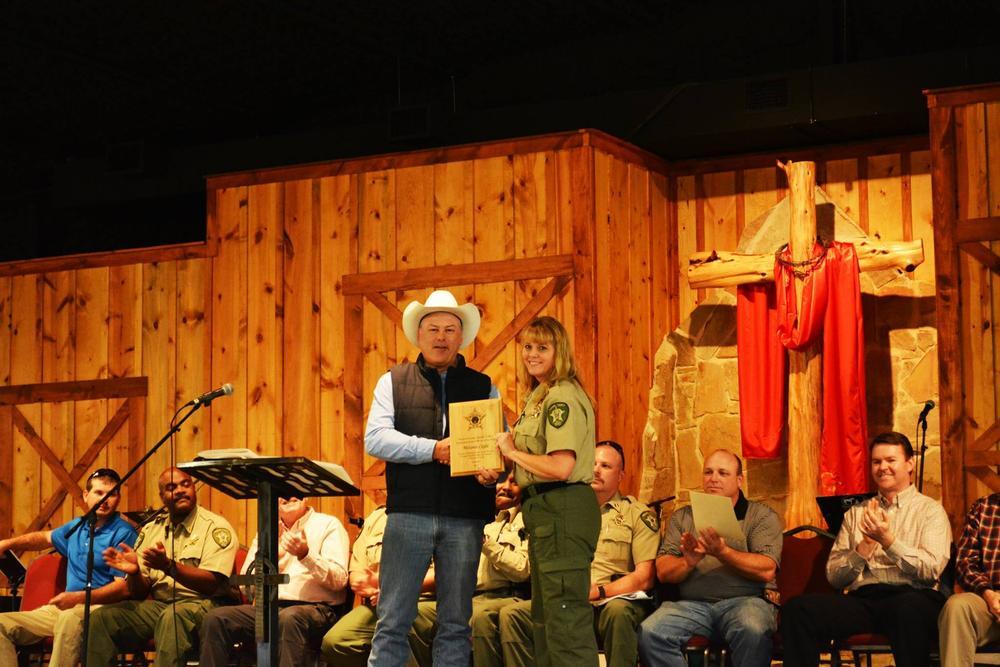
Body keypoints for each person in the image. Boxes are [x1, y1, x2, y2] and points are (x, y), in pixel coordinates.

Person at [364, 289, 498, 667]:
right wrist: (434, 450)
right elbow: (375, 439)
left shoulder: (483, 385)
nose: (441, 337)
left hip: (465, 518)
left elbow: (496, 446)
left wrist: (490, 475)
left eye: (450, 329)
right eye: (433, 328)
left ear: (461, 337)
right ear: (419, 336)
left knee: (457, 624)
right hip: (408, 515)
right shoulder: (392, 380)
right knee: (392, 621)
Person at [485, 315, 600, 667]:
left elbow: (562, 466)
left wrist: (512, 453)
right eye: (528, 347)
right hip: (546, 510)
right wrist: (522, 485)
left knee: (565, 625)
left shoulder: (561, 396)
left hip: (563, 511)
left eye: (542, 348)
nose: (532, 355)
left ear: (559, 351)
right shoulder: (540, 394)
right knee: (547, 623)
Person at [781, 431, 952, 667]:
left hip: (914, 596)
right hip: (865, 599)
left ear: (910, 464)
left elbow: (930, 570)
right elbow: (835, 577)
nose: (883, 467)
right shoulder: (856, 513)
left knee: (907, 609)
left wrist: (889, 541)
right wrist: (863, 548)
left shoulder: (930, 511)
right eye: (876, 462)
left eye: (891, 460)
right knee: (798, 610)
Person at [500, 439, 658, 667]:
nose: (596, 470)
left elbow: (645, 577)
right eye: (592, 463)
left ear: (621, 475)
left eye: (606, 466)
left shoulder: (636, 514)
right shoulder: (564, 512)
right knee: (512, 616)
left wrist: (600, 591)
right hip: (567, 597)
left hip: (609, 601)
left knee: (619, 613)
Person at [638, 449, 782, 667]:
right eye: (708, 472)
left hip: (746, 602)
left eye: (723, 473)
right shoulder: (683, 516)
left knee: (752, 629)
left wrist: (723, 553)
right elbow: (663, 571)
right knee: (651, 631)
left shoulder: (760, 515)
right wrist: (687, 562)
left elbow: (766, 568)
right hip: (692, 605)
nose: (714, 479)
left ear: (739, 480)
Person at [86, 467, 238, 667]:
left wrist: (169, 567)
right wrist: (134, 573)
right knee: (100, 619)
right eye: (172, 487)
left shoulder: (215, 527)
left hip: (206, 605)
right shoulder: (151, 530)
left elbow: (212, 584)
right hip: (162, 605)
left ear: (194, 488)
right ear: (162, 497)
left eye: (186, 484)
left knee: (172, 617)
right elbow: (140, 593)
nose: (181, 490)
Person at [0, 468, 137, 667]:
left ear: (118, 498)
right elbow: (44, 537)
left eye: (111, 494)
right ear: (86, 495)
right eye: (99, 493)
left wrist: (78, 598)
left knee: (69, 619)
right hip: (65, 608)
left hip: (102, 609)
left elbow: (123, 589)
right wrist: (7, 544)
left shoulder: (124, 532)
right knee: (2, 624)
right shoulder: (77, 526)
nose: (105, 499)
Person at [198, 496, 350, 667]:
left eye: (295, 492)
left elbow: (339, 580)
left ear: (306, 497)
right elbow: (245, 584)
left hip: (317, 609)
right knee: (216, 618)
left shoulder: (328, 525)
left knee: (289, 618)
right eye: (282, 493)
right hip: (269, 608)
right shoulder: (268, 529)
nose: (289, 496)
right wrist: (272, 555)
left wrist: (305, 555)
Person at [409, 473, 530, 667]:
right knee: (411, 615)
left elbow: (523, 570)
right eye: (500, 481)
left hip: (503, 595)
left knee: (478, 618)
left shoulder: (526, 520)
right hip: (464, 596)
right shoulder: (477, 517)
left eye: (514, 482)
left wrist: (484, 542)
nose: (504, 487)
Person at [320, 500, 434, 667]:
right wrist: (368, 586)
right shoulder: (377, 517)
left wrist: (394, 589)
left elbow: (444, 573)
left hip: (425, 600)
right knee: (336, 642)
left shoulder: (437, 514)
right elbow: (357, 572)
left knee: (400, 625)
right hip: (378, 600)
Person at [939, 492, 1000, 665]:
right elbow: (965, 562)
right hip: (990, 599)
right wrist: (988, 594)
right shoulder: (983, 508)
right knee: (957, 607)